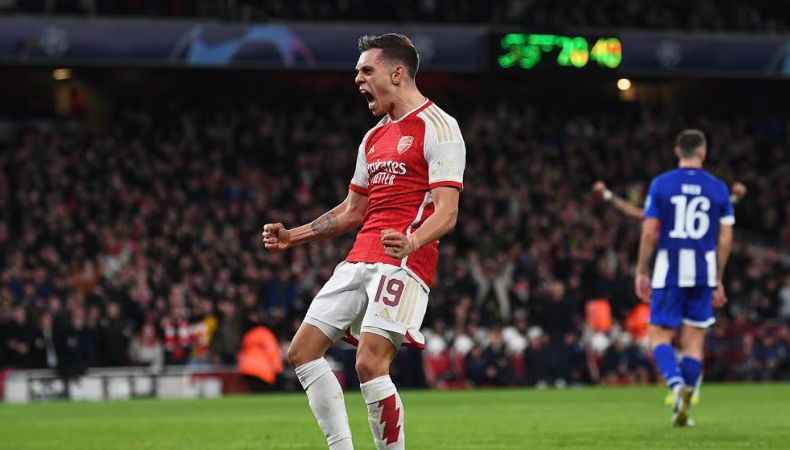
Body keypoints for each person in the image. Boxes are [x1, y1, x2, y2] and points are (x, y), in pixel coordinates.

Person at [262, 33, 465, 449]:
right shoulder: (373, 137)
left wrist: (412, 242)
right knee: (301, 352)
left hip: (404, 263)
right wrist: (292, 236)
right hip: (359, 258)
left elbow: (447, 212)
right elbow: (352, 210)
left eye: (366, 71)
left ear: (397, 73)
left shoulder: (440, 127)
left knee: (369, 363)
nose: (358, 79)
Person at [634, 129, 734, 427]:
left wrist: (641, 270)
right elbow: (725, 240)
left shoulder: (661, 184)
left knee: (658, 335)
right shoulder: (718, 188)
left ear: (678, 151)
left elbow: (649, 232)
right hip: (703, 272)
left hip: (670, 269)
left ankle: (676, 386)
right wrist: (718, 277)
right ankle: (685, 405)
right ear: (703, 152)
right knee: (693, 343)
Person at [592, 180, 746, 220]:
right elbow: (635, 212)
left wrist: (736, 198)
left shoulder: (694, 213)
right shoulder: (666, 216)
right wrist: (607, 195)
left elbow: (717, 208)